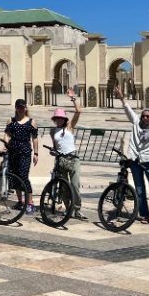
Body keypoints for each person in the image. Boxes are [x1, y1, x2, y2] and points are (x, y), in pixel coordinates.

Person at [115, 85, 149, 224]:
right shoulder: (137, 123)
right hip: (135, 160)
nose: (145, 118)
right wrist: (121, 98)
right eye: (143, 115)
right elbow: (128, 110)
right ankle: (144, 215)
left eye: (148, 116)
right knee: (139, 190)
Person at [50, 89, 86, 219]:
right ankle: (68, 208)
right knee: (64, 187)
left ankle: (77, 209)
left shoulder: (70, 126)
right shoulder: (53, 131)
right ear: (55, 119)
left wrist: (73, 98)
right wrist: (53, 152)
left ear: (64, 119)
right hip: (61, 160)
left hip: (73, 158)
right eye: (57, 118)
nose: (59, 120)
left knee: (75, 185)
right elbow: (55, 146)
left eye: (61, 118)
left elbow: (78, 111)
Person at [3, 99, 39, 213]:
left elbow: (35, 138)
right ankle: (20, 201)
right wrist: (5, 145)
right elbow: (7, 134)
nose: (21, 109)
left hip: (25, 152)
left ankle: (30, 202)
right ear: (16, 108)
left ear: (26, 108)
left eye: (22, 107)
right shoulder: (11, 120)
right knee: (14, 177)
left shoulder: (31, 122)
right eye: (19, 107)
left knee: (23, 176)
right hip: (13, 151)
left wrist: (36, 153)